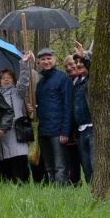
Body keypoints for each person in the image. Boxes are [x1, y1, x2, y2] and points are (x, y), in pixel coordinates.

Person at [28, 47, 75, 185]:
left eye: (49, 58)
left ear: (54, 59)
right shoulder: (41, 82)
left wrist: (65, 131)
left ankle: (62, 191)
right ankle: (54, 192)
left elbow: (68, 106)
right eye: (43, 59)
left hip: (58, 130)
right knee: (49, 165)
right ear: (39, 62)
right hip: (44, 130)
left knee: (60, 165)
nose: (46, 61)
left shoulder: (63, 78)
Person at [0, 63, 32, 182]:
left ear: (13, 80)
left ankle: (22, 184)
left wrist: (24, 64)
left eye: (8, 78)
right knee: (4, 162)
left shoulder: (17, 93)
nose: (6, 80)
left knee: (18, 160)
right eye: (3, 78)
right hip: (1, 132)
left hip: (16, 132)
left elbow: (24, 82)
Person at [70, 44, 94, 184]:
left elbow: (92, 69)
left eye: (81, 62)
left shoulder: (93, 79)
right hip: (80, 131)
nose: (79, 64)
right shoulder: (76, 82)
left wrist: (84, 56)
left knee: (94, 163)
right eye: (77, 62)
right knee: (86, 166)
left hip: (93, 128)